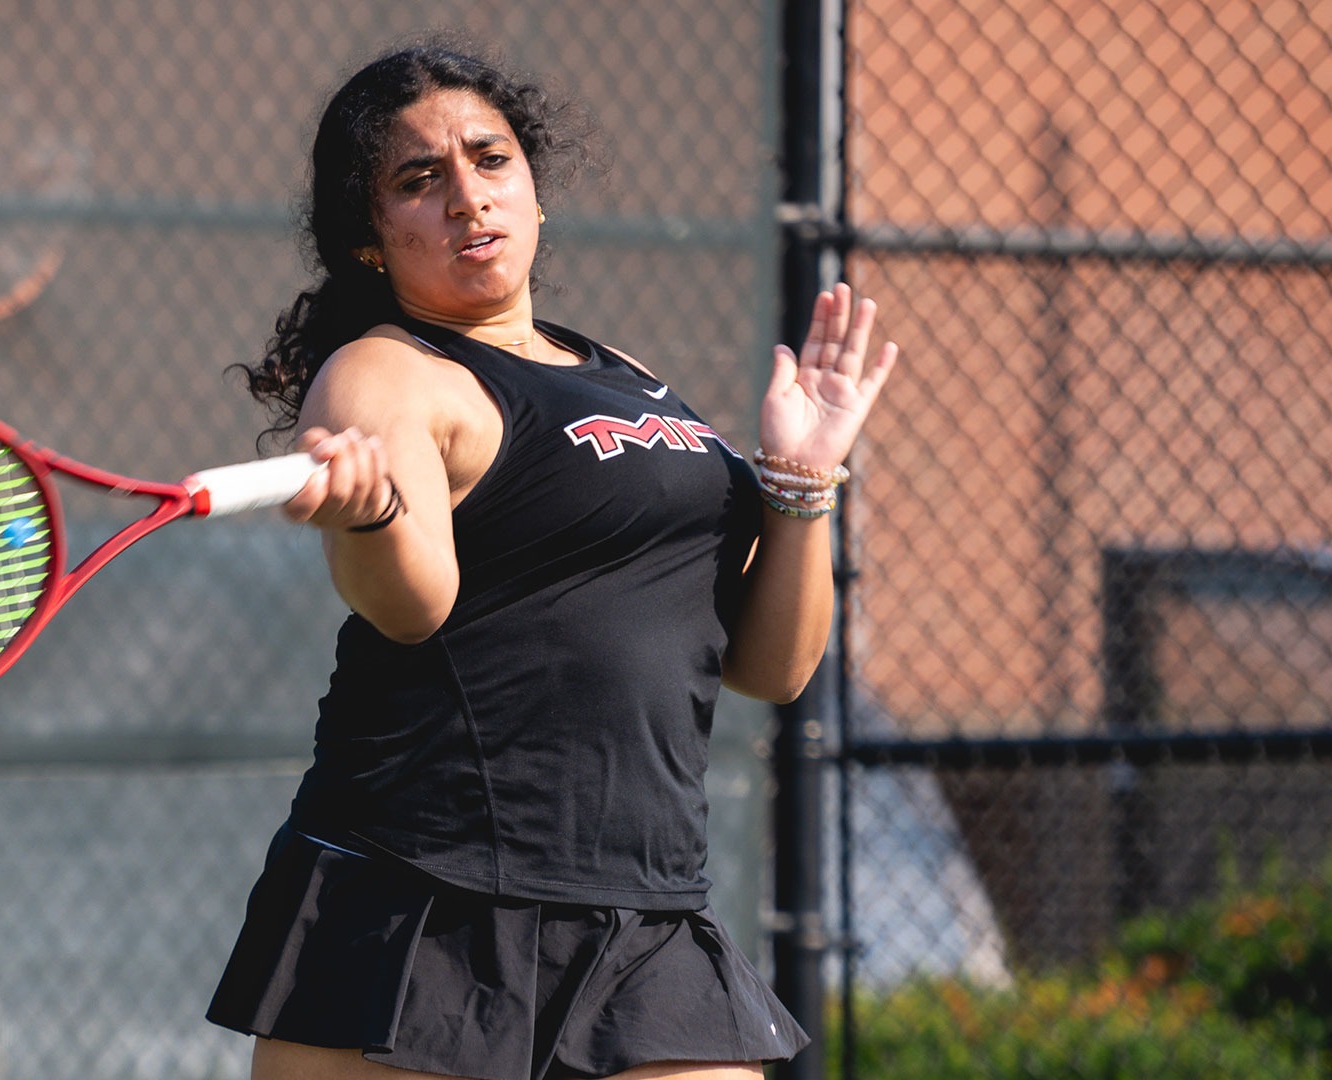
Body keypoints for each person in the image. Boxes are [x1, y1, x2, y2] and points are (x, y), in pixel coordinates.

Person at [206, 39, 897, 1080]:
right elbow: (412, 604)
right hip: (421, 905)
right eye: (417, 179)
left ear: (535, 192)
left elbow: (772, 668)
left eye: (491, 161)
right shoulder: (387, 374)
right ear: (367, 239)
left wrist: (798, 487)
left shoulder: (630, 377)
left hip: (647, 912)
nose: (466, 197)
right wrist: (370, 510)